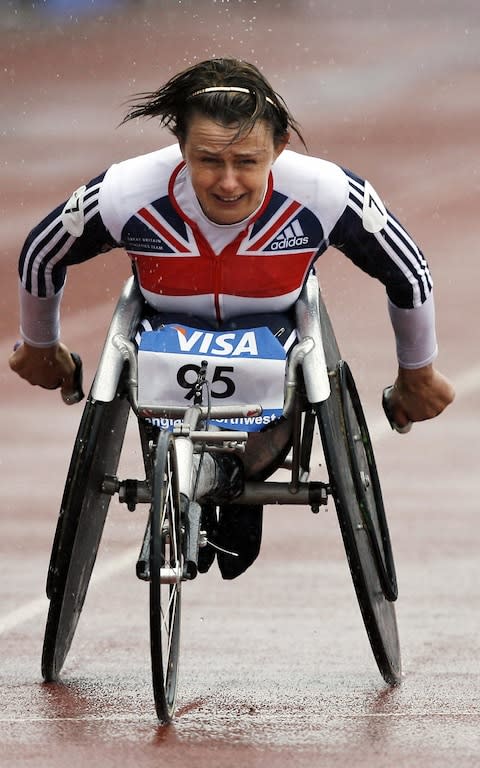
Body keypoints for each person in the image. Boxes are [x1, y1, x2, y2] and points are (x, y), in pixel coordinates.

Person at [9, 57, 454, 578]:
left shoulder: (325, 193)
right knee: (159, 384)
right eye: (208, 160)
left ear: (280, 148)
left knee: (269, 400)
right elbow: (41, 254)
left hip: (275, 340)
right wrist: (41, 347)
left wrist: (417, 373)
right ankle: (193, 478)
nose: (227, 182)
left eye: (247, 161)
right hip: (164, 336)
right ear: (180, 148)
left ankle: (232, 478)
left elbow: (409, 271)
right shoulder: (128, 192)